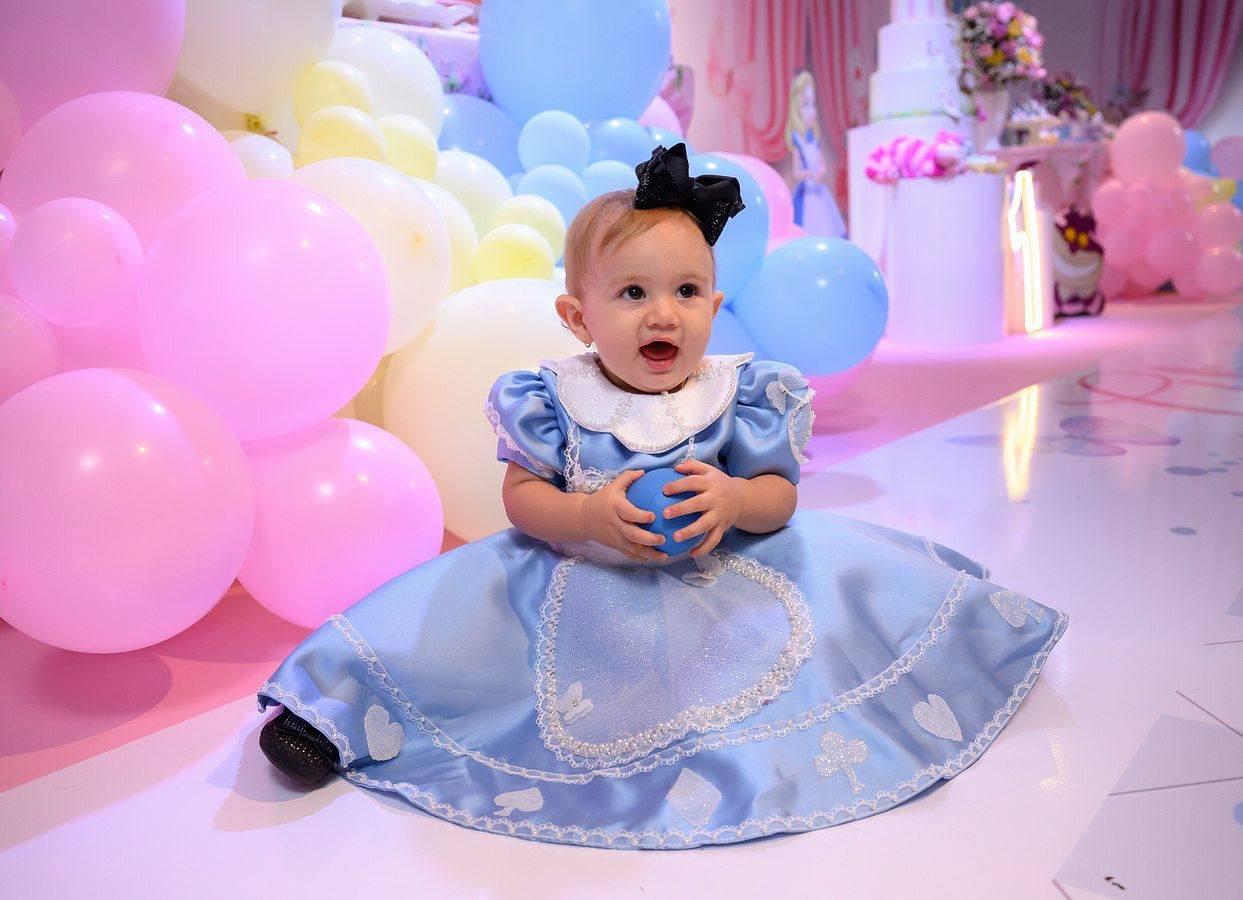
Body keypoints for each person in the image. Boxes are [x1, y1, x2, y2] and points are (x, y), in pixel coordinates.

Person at [258, 143, 1066, 849]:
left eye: (685, 291)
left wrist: (734, 500)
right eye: (632, 294)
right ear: (577, 315)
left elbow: (779, 497)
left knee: (841, 597)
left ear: (713, 304)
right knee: (454, 627)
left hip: (720, 573)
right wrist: (584, 513)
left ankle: (944, 652)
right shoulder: (551, 398)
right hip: (580, 572)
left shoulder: (739, 392)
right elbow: (521, 498)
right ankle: (328, 712)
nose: (664, 315)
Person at [785, 70, 846, 237]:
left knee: (826, 226)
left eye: (813, 105)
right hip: (806, 194)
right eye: (806, 105)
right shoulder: (798, 143)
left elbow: (822, 165)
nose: (811, 111)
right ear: (797, 109)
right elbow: (796, 173)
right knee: (807, 227)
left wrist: (820, 173)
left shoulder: (815, 141)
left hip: (819, 191)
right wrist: (810, 173)